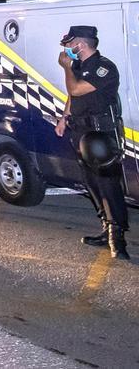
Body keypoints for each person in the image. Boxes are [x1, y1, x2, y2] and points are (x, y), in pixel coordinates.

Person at [56, 26, 129, 260]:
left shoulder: (103, 68)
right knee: (92, 183)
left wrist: (66, 68)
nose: (67, 49)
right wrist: (64, 117)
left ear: (82, 44)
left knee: (108, 185)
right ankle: (105, 228)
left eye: (69, 44)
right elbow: (72, 96)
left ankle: (118, 240)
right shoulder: (78, 66)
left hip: (101, 133)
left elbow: (76, 88)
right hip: (81, 131)